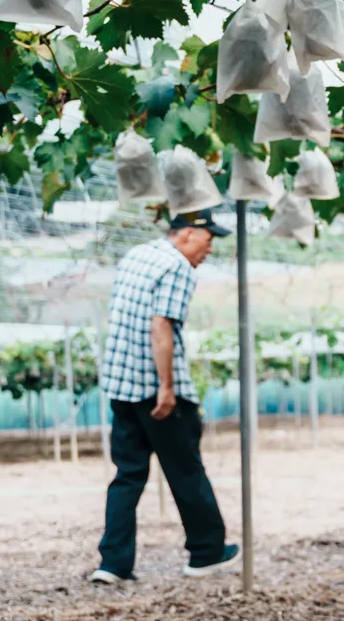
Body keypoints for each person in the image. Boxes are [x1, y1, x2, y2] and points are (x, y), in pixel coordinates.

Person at [90, 211, 240, 584]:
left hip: (121, 387)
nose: (209, 249)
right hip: (154, 390)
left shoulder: (137, 256)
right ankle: (207, 553)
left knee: (127, 476)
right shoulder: (177, 267)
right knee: (186, 471)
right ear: (188, 233)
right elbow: (161, 326)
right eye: (208, 239)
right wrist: (167, 388)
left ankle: (112, 564)